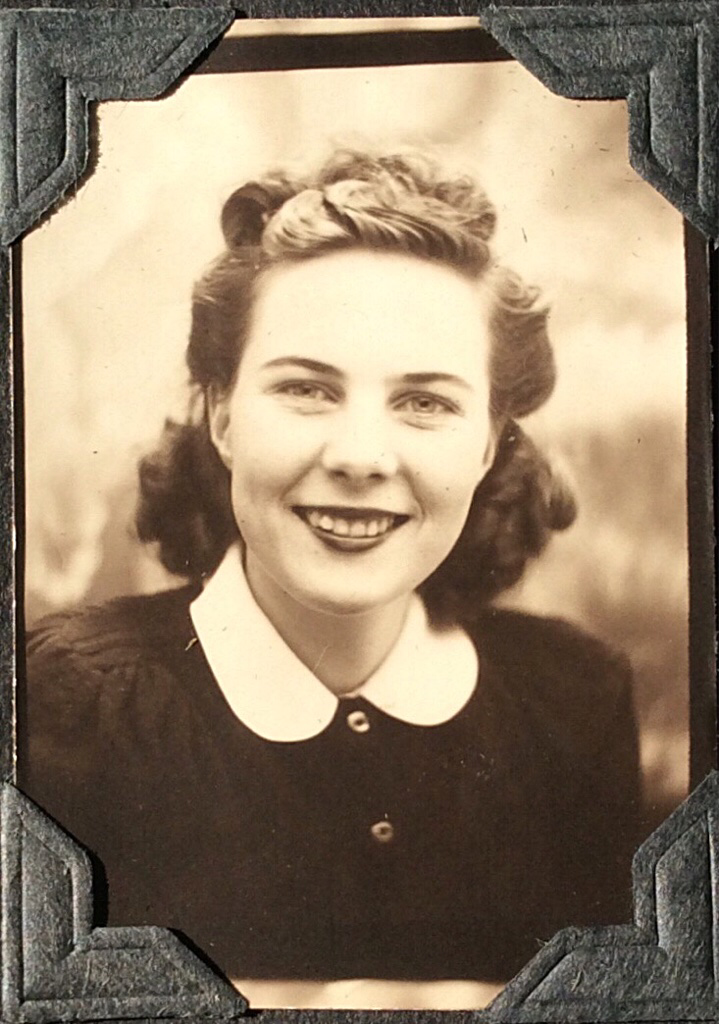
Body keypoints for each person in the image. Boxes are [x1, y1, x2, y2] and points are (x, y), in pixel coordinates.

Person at [19, 151, 641, 1003]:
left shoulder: (575, 697)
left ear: (490, 443)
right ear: (221, 415)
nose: (359, 457)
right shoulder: (72, 701)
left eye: (425, 402)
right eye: (308, 389)